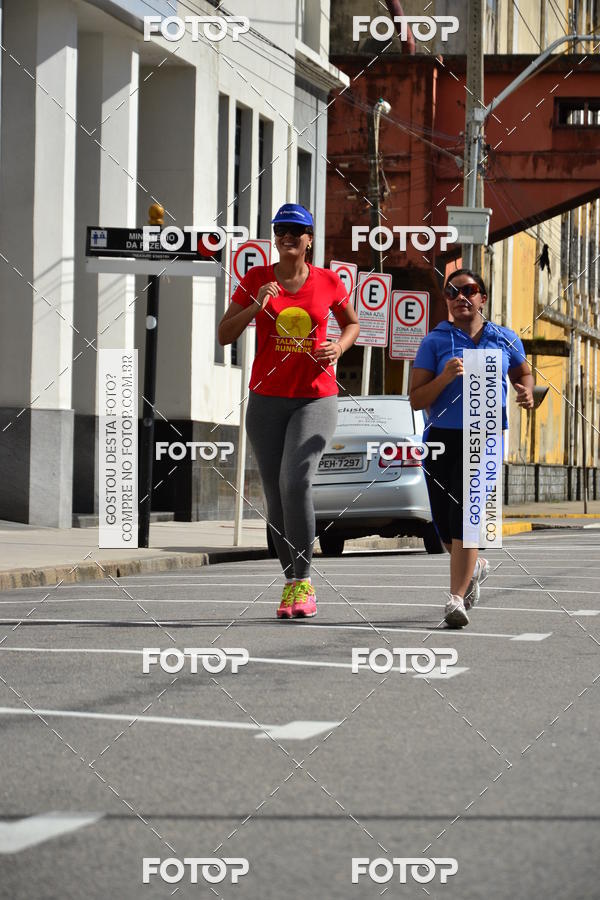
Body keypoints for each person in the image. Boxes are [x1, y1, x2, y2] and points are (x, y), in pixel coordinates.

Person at [217, 204, 360, 619]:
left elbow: (352, 324)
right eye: (281, 230)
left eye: (297, 231)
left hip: (315, 396)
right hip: (266, 400)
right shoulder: (257, 279)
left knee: (296, 481)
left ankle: (303, 581)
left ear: (309, 239)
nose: (288, 237)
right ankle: (291, 583)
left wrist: (340, 346)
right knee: (276, 497)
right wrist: (255, 308)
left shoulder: (328, 281)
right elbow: (225, 334)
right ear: (275, 237)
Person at [409, 268, 534, 628]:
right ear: (446, 300)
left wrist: (526, 392)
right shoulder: (434, 341)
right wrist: (445, 377)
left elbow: (524, 375)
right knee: (445, 527)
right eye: (452, 292)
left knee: (470, 516)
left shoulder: (505, 338)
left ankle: (454, 599)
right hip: (441, 438)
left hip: (485, 436)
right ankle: (475, 566)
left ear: (483, 297)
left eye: (469, 290)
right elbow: (416, 400)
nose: (460, 297)